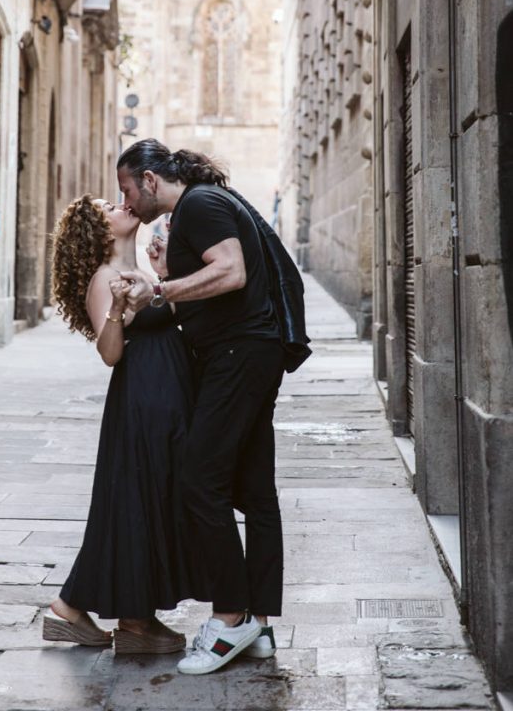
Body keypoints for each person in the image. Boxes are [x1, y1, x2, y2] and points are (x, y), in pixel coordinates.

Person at [117, 140, 303, 675]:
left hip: (238, 354)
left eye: (127, 187)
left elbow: (231, 271)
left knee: (200, 480)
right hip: (249, 351)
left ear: (150, 179)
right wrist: (166, 274)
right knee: (255, 489)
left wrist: (161, 290)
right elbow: (209, 281)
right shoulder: (203, 205)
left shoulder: (198, 204)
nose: (125, 200)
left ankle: (228, 621)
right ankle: (260, 625)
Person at [42, 194, 203, 654]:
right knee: (139, 502)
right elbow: (111, 352)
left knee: (145, 500)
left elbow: (166, 312)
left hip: (163, 396)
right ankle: (132, 622)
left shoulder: (142, 268)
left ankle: (73, 610)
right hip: (142, 402)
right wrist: (116, 306)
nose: (122, 205)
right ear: (98, 230)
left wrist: (165, 275)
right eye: (109, 207)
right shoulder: (104, 278)